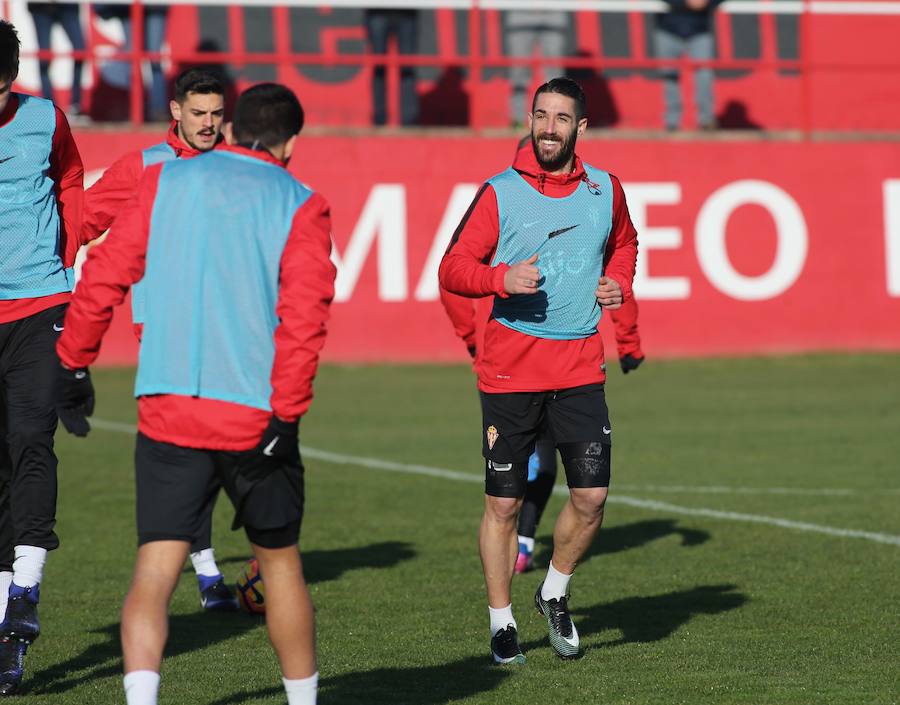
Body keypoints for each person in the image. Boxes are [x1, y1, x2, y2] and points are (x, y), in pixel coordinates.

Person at [56, 82, 335, 705]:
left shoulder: (164, 181)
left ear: (231, 129)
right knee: (281, 566)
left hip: (167, 404)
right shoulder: (301, 203)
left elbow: (105, 272)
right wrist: (287, 414)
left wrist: (73, 363)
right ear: (291, 143)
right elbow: (304, 321)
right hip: (253, 417)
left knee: (154, 570)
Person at [438, 77, 638, 664]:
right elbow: (452, 268)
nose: (548, 127)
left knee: (593, 496)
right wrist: (499, 279)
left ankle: (554, 591)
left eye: (560, 118)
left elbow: (625, 244)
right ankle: (502, 620)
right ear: (530, 120)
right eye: (540, 115)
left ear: (582, 127)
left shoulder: (606, 189)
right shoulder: (500, 193)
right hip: (509, 371)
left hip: (579, 364)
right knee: (503, 504)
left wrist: (618, 282)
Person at [82, 67, 236, 611]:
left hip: (229, 338)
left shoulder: (239, 167)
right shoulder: (144, 167)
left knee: (222, 454)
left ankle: (210, 565)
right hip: (166, 339)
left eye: (217, 113)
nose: (209, 124)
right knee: (186, 455)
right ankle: (207, 570)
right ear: (175, 111)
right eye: (199, 113)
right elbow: (83, 219)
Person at [440, 276, 645, 576]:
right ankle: (518, 549)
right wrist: (473, 338)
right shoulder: (494, 231)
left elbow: (613, 276)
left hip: (551, 369)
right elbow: (452, 278)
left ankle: (523, 542)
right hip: (507, 369)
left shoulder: (575, 236)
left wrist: (629, 342)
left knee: (543, 466)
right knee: (525, 472)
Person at [0, 19, 84, 695]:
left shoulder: (44, 118)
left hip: (37, 305)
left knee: (32, 436)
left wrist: (66, 253)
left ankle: (24, 594)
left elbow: (73, 178)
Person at [655, 0, 725, 131]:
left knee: (704, 75)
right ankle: (671, 121)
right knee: (669, 75)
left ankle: (706, 120)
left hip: (699, 30)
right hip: (668, 28)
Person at [504, 11, 569, 127]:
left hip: (554, 12)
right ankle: (518, 120)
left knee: (555, 75)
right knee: (519, 71)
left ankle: (556, 118)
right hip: (520, 12)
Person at [26, 1, 86, 119]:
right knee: (44, 56)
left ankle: (76, 106)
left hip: (67, 5)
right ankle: (49, 108)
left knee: (81, 51)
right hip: (40, 6)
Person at [364, 9, 419, 126]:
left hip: (407, 12)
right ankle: (379, 120)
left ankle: (409, 121)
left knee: (407, 67)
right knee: (379, 65)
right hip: (377, 11)